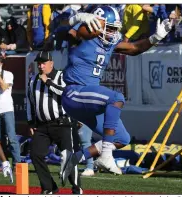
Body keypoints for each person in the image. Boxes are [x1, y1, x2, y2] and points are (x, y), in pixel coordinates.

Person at [59, 5, 172, 185]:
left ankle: (76, 157)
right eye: (109, 27)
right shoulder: (81, 35)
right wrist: (77, 18)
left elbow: (134, 48)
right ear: (95, 23)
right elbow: (63, 31)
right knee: (116, 98)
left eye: (114, 28)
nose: (112, 32)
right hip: (74, 93)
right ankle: (105, 155)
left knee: (122, 138)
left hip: (88, 99)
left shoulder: (109, 42)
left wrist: (155, 37)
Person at [26, 51, 82, 194]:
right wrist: (31, 123)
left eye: (44, 63)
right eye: (39, 63)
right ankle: (49, 187)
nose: (41, 65)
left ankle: (77, 188)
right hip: (43, 125)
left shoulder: (62, 76)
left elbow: (65, 93)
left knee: (67, 156)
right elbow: (30, 104)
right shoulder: (33, 80)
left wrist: (48, 82)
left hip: (62, 124)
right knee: (35, 154)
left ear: (51, 63)